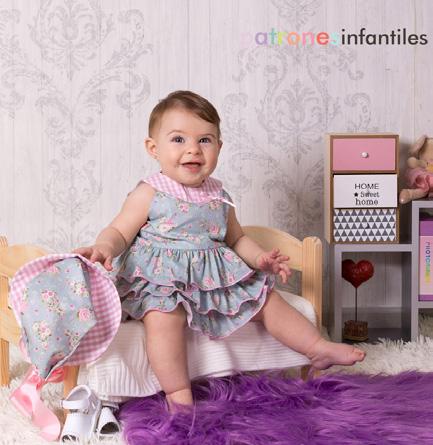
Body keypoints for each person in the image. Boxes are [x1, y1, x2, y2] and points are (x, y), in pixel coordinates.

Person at [73, 90, 365, 410]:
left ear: (219, 148)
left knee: (266, 299)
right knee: (164, 318)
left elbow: (236, 239)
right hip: (161, 281)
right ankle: (177, 392)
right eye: (178, 139)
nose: (193, 149)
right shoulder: (150, 192)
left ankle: (316, 347)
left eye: (205, 140)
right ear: (153, 148)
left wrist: (260, 258)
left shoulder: (219, 195)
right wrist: (104, 246)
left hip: (212, 278)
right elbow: (119, 230)